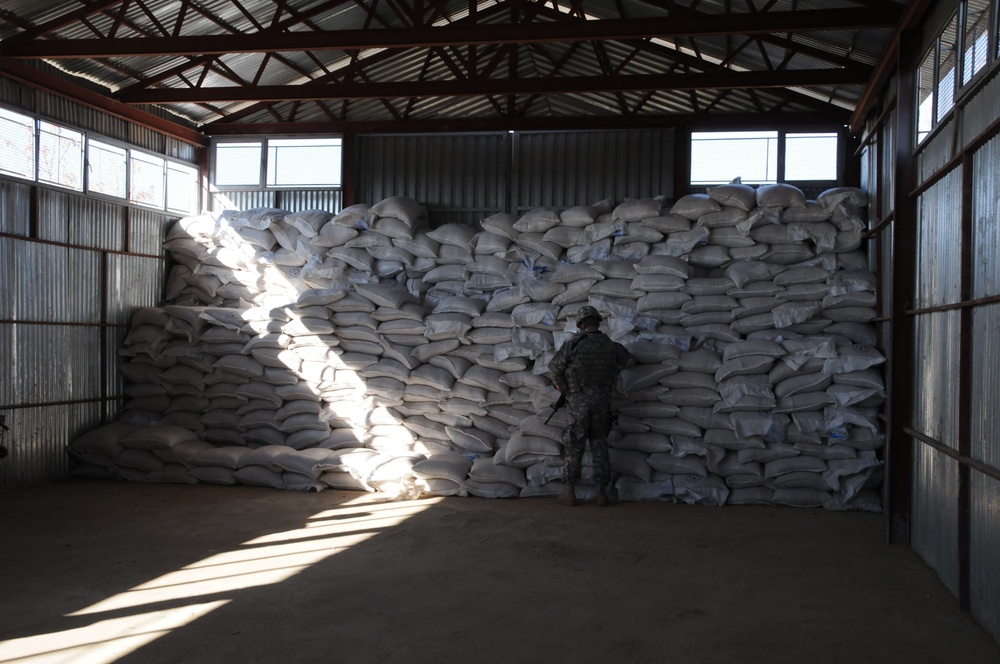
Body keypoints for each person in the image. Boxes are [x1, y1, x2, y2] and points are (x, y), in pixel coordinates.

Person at [547, 305, 631, 507]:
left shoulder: (573, 345)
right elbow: (623, 360)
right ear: (598, 322)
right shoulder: (612, 345)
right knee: (600, 445)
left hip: (578, 403)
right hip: (602, 402)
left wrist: (562, 385)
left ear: (581, 324)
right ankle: (602, 494)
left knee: (574, 446)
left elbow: (553, 367)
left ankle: (569, 493)